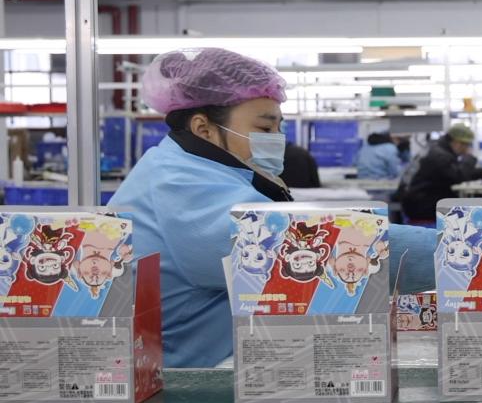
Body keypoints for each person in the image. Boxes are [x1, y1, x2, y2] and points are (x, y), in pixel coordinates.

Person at [109, 48, 436, 369]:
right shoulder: (180, 184)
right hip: (183, 373)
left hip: (206, 355)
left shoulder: (189, 169)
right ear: (203, 128)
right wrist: (448, 248)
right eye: (265, 128)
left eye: (279, 128)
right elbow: (322, 252)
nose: (276, 139)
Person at [399, 124, 482, 225]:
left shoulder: (435, 149)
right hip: (422, 207)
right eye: (467, 145)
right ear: (458, 143)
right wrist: (469, 157)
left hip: (415, 203)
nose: (467, 148)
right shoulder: (440, 155)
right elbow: (458, 175)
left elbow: (452, 172)